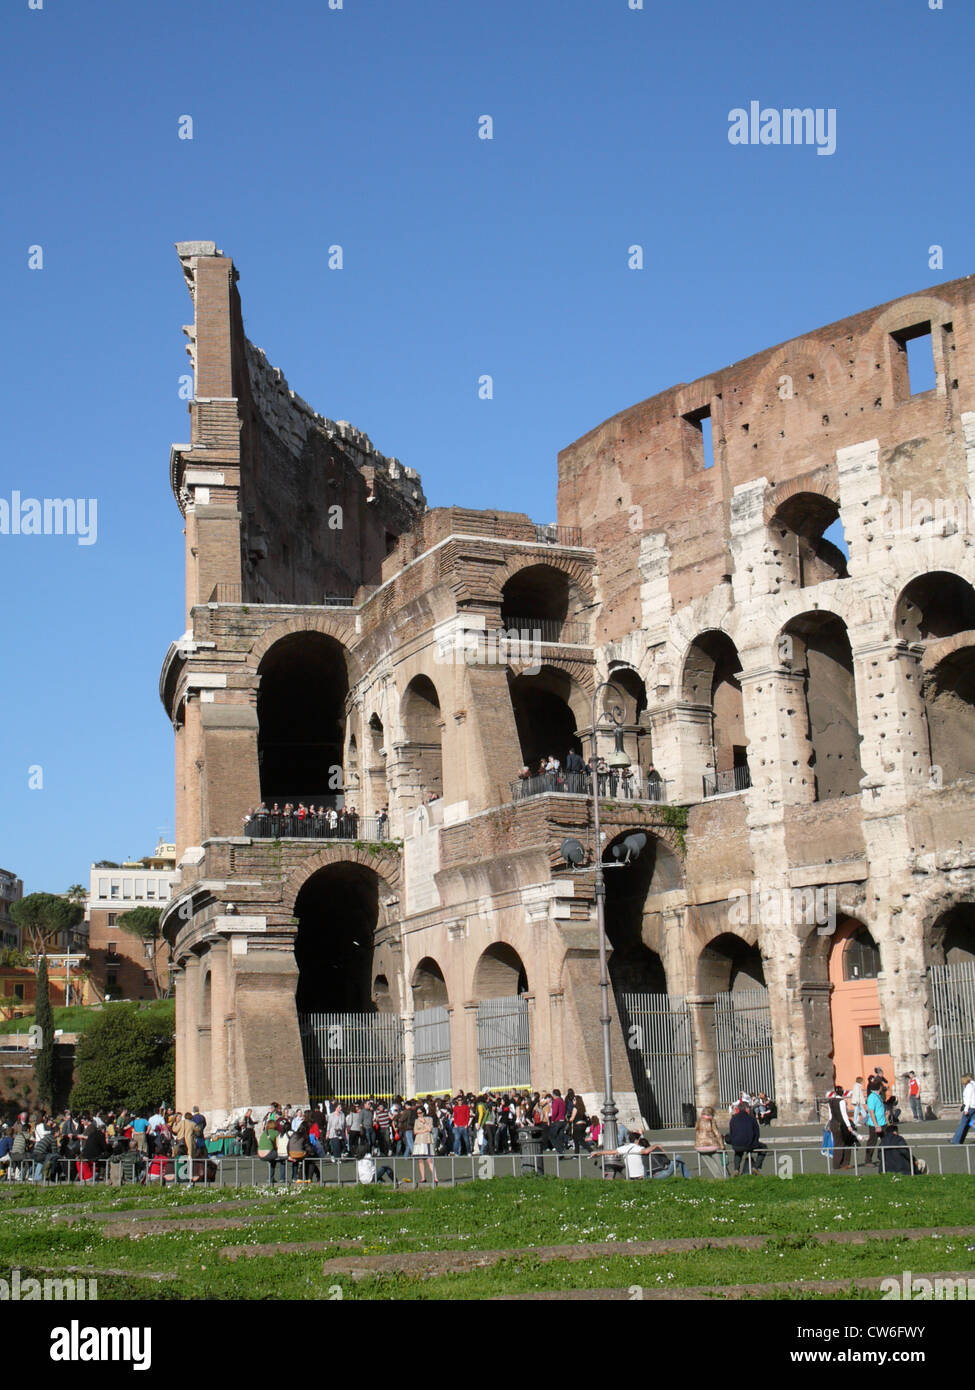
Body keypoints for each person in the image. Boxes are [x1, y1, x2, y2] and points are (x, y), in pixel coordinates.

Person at [728, 1100, 767, 1174]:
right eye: (749, 1108)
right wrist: (754, 1142)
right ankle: (756, 1167)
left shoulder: (733, 1119)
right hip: (749, 1144)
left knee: (738, 1151)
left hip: (736, 1144)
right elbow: (756, 1133)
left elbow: (731, 1132)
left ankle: (736, 1169)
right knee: (764, 1147)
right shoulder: (751, 1119)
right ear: (746, 1109)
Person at [826, 1085, 857, 1171]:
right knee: (846, 1143)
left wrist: (829, 1124)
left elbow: (830, 1115)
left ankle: (836, 1164)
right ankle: (844, 1163)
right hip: (841, 1125)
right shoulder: (841, 1101)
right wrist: (849, 1126)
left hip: (833, 1124)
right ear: (842, 1092)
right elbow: (844, 1115)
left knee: (837, 1144)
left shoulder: (831, 1101)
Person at [694, 1105, 727, 1175]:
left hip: (700, 1146)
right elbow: (717, 1134)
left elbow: (697, 1133)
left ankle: (717, 1178)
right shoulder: (711, 1121)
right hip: (712, 1145)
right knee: (719, 1162)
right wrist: (722, 1146)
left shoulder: (698, 1121)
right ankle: (724, 1177)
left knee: (710, 1164)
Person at [412, 1105, 439, 1186]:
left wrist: (424, 1122)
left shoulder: (429, 1119)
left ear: (423, 1112)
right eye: (417, 1113)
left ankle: (435, 1177)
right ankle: (423, 1178)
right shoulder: (416, 1121)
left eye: (420, 1113)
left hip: (427, 1141)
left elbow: (430, 1129)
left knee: (429, 1160)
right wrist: (423, 1130)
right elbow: (415, 1131)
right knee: (420, 1160)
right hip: (419, 1142)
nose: (418, 1115)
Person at [864, 1077, 888, 1163]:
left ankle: (886, 1158)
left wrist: (885, 1113)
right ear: (879, 1087)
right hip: (875, 1125)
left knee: (886, 1141)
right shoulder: (872, 1097)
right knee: (872, 1142)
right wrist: (876, 1125)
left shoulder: (878, 1096)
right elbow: (871, 1112)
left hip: (883, 1123)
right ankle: (868, 1160)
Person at [952, 1073, 975, 1144]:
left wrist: (966, 1109)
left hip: (970, 1108)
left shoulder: (968, 1087)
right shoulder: (973, 1084)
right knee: (972, 1123)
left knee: (963, 1124)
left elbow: (968, 1099)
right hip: (973, 1107)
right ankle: (958, 1140)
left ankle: (956, 1141)